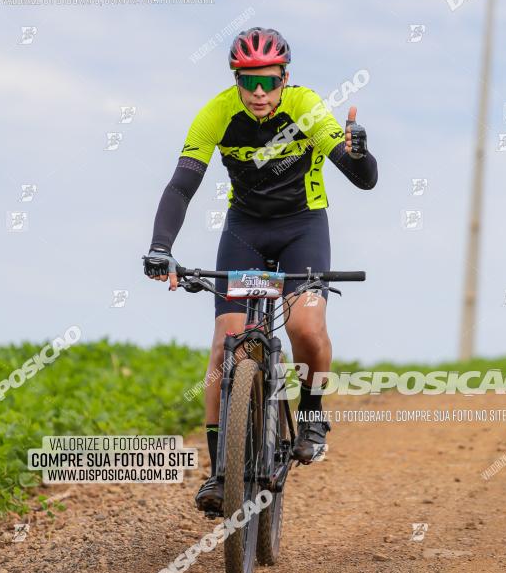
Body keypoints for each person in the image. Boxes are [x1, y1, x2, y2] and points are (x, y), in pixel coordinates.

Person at [143, 27, 378, 513]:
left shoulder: (307, 105)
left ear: (285, 78)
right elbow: (181, 186)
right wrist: (161, 247)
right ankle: (219, 473)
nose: (258, 93)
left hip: (302, 228)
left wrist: (360, 154)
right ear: (236, 79)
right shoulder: (216, 113)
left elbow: (364, 180)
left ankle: (312, 415)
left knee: (305, 327)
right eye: (248, 81)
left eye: (269, 82)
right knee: (223, 346)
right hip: (245, 231)